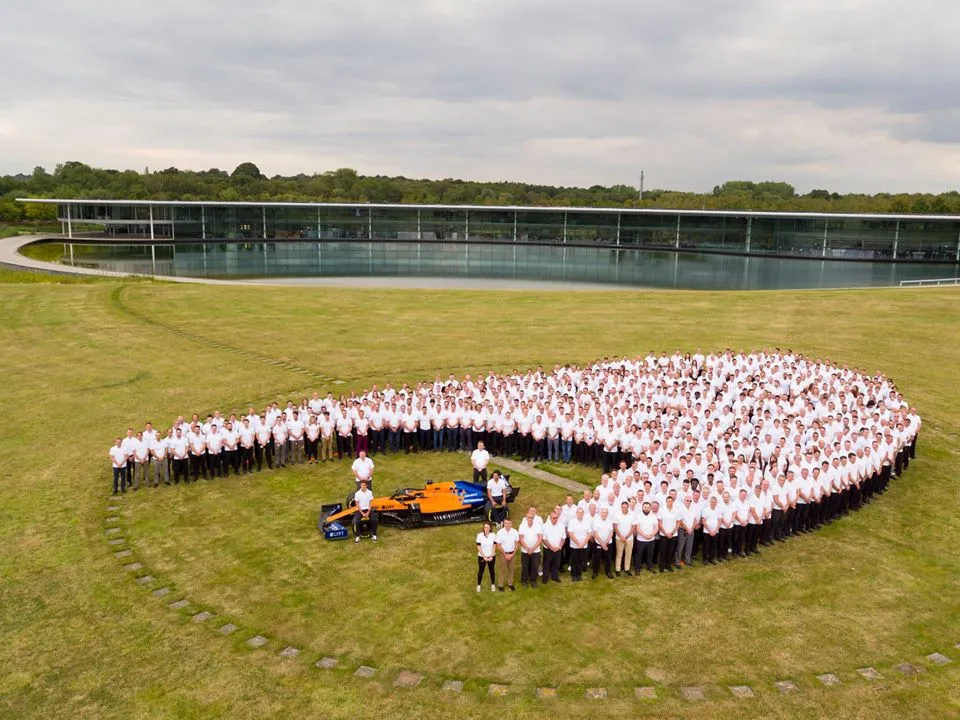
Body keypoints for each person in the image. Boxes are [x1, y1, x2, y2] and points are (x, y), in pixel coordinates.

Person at [517, 507, 543, 588]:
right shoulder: (522, 526)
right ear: (526, 518)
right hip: (525, 551)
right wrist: (527, 548)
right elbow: (520, 538)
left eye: (532, 517)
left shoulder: (538, 526)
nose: (530, 519)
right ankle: (524, 581)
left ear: (533, 518)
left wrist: (533, 548)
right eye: (528, 517)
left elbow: (540, 538)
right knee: (525, 566)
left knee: (535, 566)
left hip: (536, 550)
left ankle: (533, 580)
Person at [541, 507, 565, 583]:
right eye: (554, 518)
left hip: (558, 548)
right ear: (550, 518)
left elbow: (563, 538)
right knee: (546, 564)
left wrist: (559, 547)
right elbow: (544, 539)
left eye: (556, 517)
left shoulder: (561, 525)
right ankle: (545, 578)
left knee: (556, 564)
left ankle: (555, 577)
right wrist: (551, 547)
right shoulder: (545, 526)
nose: (555, 519)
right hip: (548, 549)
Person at [494, 518, 519, 591]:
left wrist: (512, 554)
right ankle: (500, 585)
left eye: (509, 523)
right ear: (503, 524)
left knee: (511, 569)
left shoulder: (515, 532)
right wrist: (505, 554)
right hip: (503, 554)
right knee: (502, 569)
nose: (508, 525)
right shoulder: (500, 532)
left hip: (512, 553)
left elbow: (517, 544)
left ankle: (510, 583)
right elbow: (498, 545)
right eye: (506, 523)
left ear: (511, 524)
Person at [567, 507, 591, 581]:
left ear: (583, 514)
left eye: (581, 513)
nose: (580, 514)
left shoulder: (587, 522)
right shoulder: (572, 521)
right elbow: (570, 533)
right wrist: (578, 543)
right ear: (576, 513)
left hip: (584, 545)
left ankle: (579, 574)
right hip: (574, 545)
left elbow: (589, 533)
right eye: (578, 512)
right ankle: (573, 575)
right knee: (574, 561)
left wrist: (583, 543)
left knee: (581, 561)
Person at [613, 501, 635, 576]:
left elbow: (633, 527)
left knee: (628, 554)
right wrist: (621, 536)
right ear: (621, 507)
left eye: (626, 507)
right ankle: (617, 569)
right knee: (619, 554)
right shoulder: (617, 514)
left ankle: (627, 569)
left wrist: (626, 536)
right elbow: (615, 527)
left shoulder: (632, 515)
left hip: (629, 538)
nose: (625, 508)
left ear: (628, 507)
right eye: (623, 507)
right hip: (619, 538)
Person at [476, 522, 496, 592]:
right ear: (483, 528)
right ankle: (478, 585)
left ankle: (493, 584)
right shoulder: (479, 535)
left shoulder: (493, 535)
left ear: (490, 528)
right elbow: (478, 546)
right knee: (481, 571)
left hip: (491, 557)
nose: (486, 529)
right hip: (482, 557)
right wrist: (484, 556)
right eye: (485, 527)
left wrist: (491, 556)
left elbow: (494, 546)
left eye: (488, 527)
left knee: (492, 571)